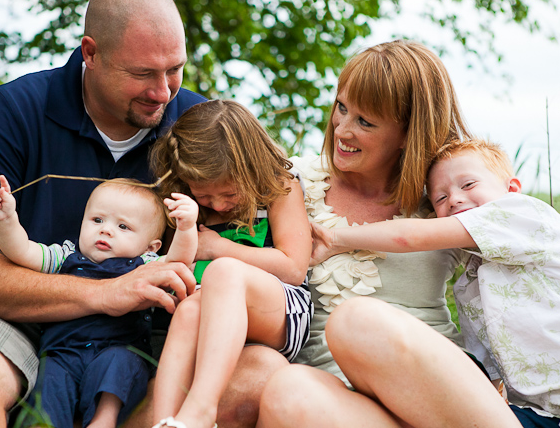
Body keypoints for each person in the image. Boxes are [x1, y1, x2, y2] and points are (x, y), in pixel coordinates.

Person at [0, 0, 210, 427]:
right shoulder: (17, 109)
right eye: (143, 73)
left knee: (252, 377)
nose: (163, 92)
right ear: (91, 53)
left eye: (174, 69)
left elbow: (264, 216)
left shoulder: (200, 123)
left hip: (147, 332)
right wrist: (105, 293)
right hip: (14, 322)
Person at [257, 39, 521, 427]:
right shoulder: (293, 183)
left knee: (355, 321)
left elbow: (526, 277)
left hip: (437, 396)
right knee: (287, 392)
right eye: (341, 108)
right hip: (339, 403)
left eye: (365, 121)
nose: (342, 130)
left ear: (408, 132)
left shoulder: (446, 199)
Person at [302, 138, 560, 427]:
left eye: (468, 185)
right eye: (440, 198)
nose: (455, 199)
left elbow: (410, 236)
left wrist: (335, 238)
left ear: (511, 188)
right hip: (537, 414)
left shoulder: (524, 215)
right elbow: (492, 365)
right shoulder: (469, 283)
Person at [148, 99, 313, 428]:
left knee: (223, 273)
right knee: (190, 309)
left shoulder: (280, 188)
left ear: (252, 169)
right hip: (207, 314)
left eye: (230, 193)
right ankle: (165, 421)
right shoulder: (187, 204)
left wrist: (219, 247)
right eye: (206, 196)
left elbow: (293, 267)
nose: (219, 205)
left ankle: (201, 410)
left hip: (281, 311)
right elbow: (172, 266)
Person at [0, 175, 198, 427]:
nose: (105, 229)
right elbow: (22, 251)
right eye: (97, 220)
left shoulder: (146, 266)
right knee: (49, 382)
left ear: (151, 247)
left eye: (123, 227)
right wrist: (7, 220)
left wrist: (186, 228)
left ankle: (103, 420)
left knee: (121, 364)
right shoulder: (64, 256)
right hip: (62, 353)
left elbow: (178, 264)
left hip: (118, 349)